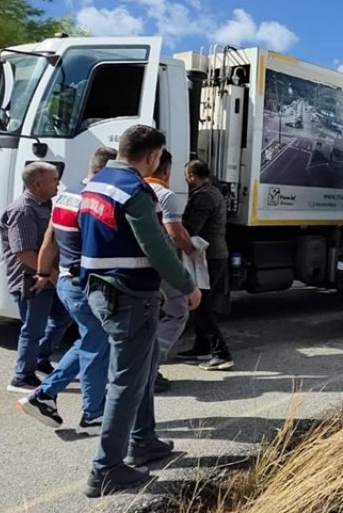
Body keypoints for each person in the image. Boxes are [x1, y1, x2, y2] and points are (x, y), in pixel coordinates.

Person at [78, 126, 201, 497]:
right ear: (151, 156)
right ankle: (106, 469)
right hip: (128, 296)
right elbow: (158, 247)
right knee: (127, 382)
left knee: (144, 370)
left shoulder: (96, 184)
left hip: (103, 289)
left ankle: (143, 440)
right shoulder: (134, 191)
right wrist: (187, 285)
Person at [16, 148, 117, 431]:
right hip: (86, 284)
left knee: (90, 341)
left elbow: (50, 241)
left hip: (65, 282)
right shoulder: (96, 200)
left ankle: (45, 395)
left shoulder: (65, 196)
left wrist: (43, 273)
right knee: (97, 345)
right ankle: (92, 412)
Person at [0, 161, 72, 393]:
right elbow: (23, 252)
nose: (58, 185)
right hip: (31, 279)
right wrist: (50, 274)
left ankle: (40, 358)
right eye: (53, 180)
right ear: (37, 183)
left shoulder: (47, 204)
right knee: (33, 328)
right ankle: (22, 376)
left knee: (62, 317)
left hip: (51, 276)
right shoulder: (23, 210)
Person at [144, 149, 196, 392]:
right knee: (177, 312)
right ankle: (149, 368)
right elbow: (174, 233)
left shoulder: (131, 189)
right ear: (165, 169)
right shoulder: (164, 194)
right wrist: (191, 249)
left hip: (131, 267)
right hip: (159, 264)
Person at [176, 160, 234, 371]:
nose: (185, 180)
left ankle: (221, 353)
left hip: (207, 256)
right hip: (213, 254)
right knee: (202, 303)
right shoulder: (213, 192)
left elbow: (192, 228)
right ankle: (202, 347)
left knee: (200, 305)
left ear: (192, 176)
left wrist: (173, 227)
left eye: (186, 176)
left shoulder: (204, 197)